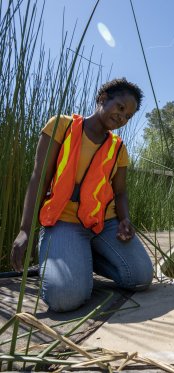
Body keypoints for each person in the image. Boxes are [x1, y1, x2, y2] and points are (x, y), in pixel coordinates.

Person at [11, 78, 153, 312]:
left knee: (139, 277)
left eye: (128, 116)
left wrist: (124, 219)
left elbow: (120, 192)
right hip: (64, 222)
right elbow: (39, 178)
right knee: (64, 299)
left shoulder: (119, 148)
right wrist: (25, 230)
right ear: (103, 99)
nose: (122, 117)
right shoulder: (61, 126)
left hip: (102, 223)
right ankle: (62, 257)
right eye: (120, 108)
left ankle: (79, 258)